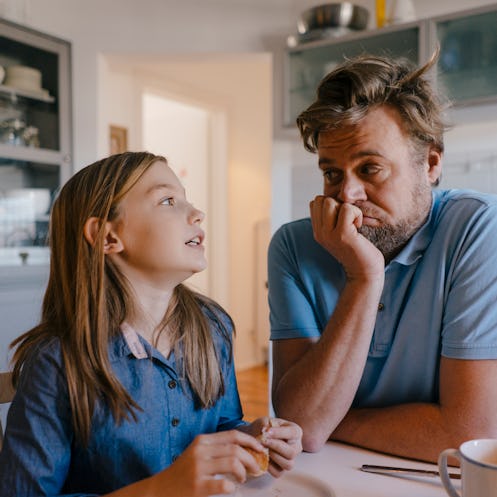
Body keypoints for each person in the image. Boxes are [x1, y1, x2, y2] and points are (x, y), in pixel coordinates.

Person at [0, 151, 302, 496]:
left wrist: (250, 439)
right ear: (108, 237)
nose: (197, 214)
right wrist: (160, 489)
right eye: (168, 200)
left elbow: (223, 424)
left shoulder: (213, 326)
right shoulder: (55, 362)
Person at [268, 52, 497, 463]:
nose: (346, 196)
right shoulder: (292, 246)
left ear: (429, 163)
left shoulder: (479, 229)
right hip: (336, 472)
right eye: (332, 173)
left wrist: (328, 420)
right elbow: (298, 422)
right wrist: (364, 278)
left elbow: (470, 435)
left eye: (370, 169)